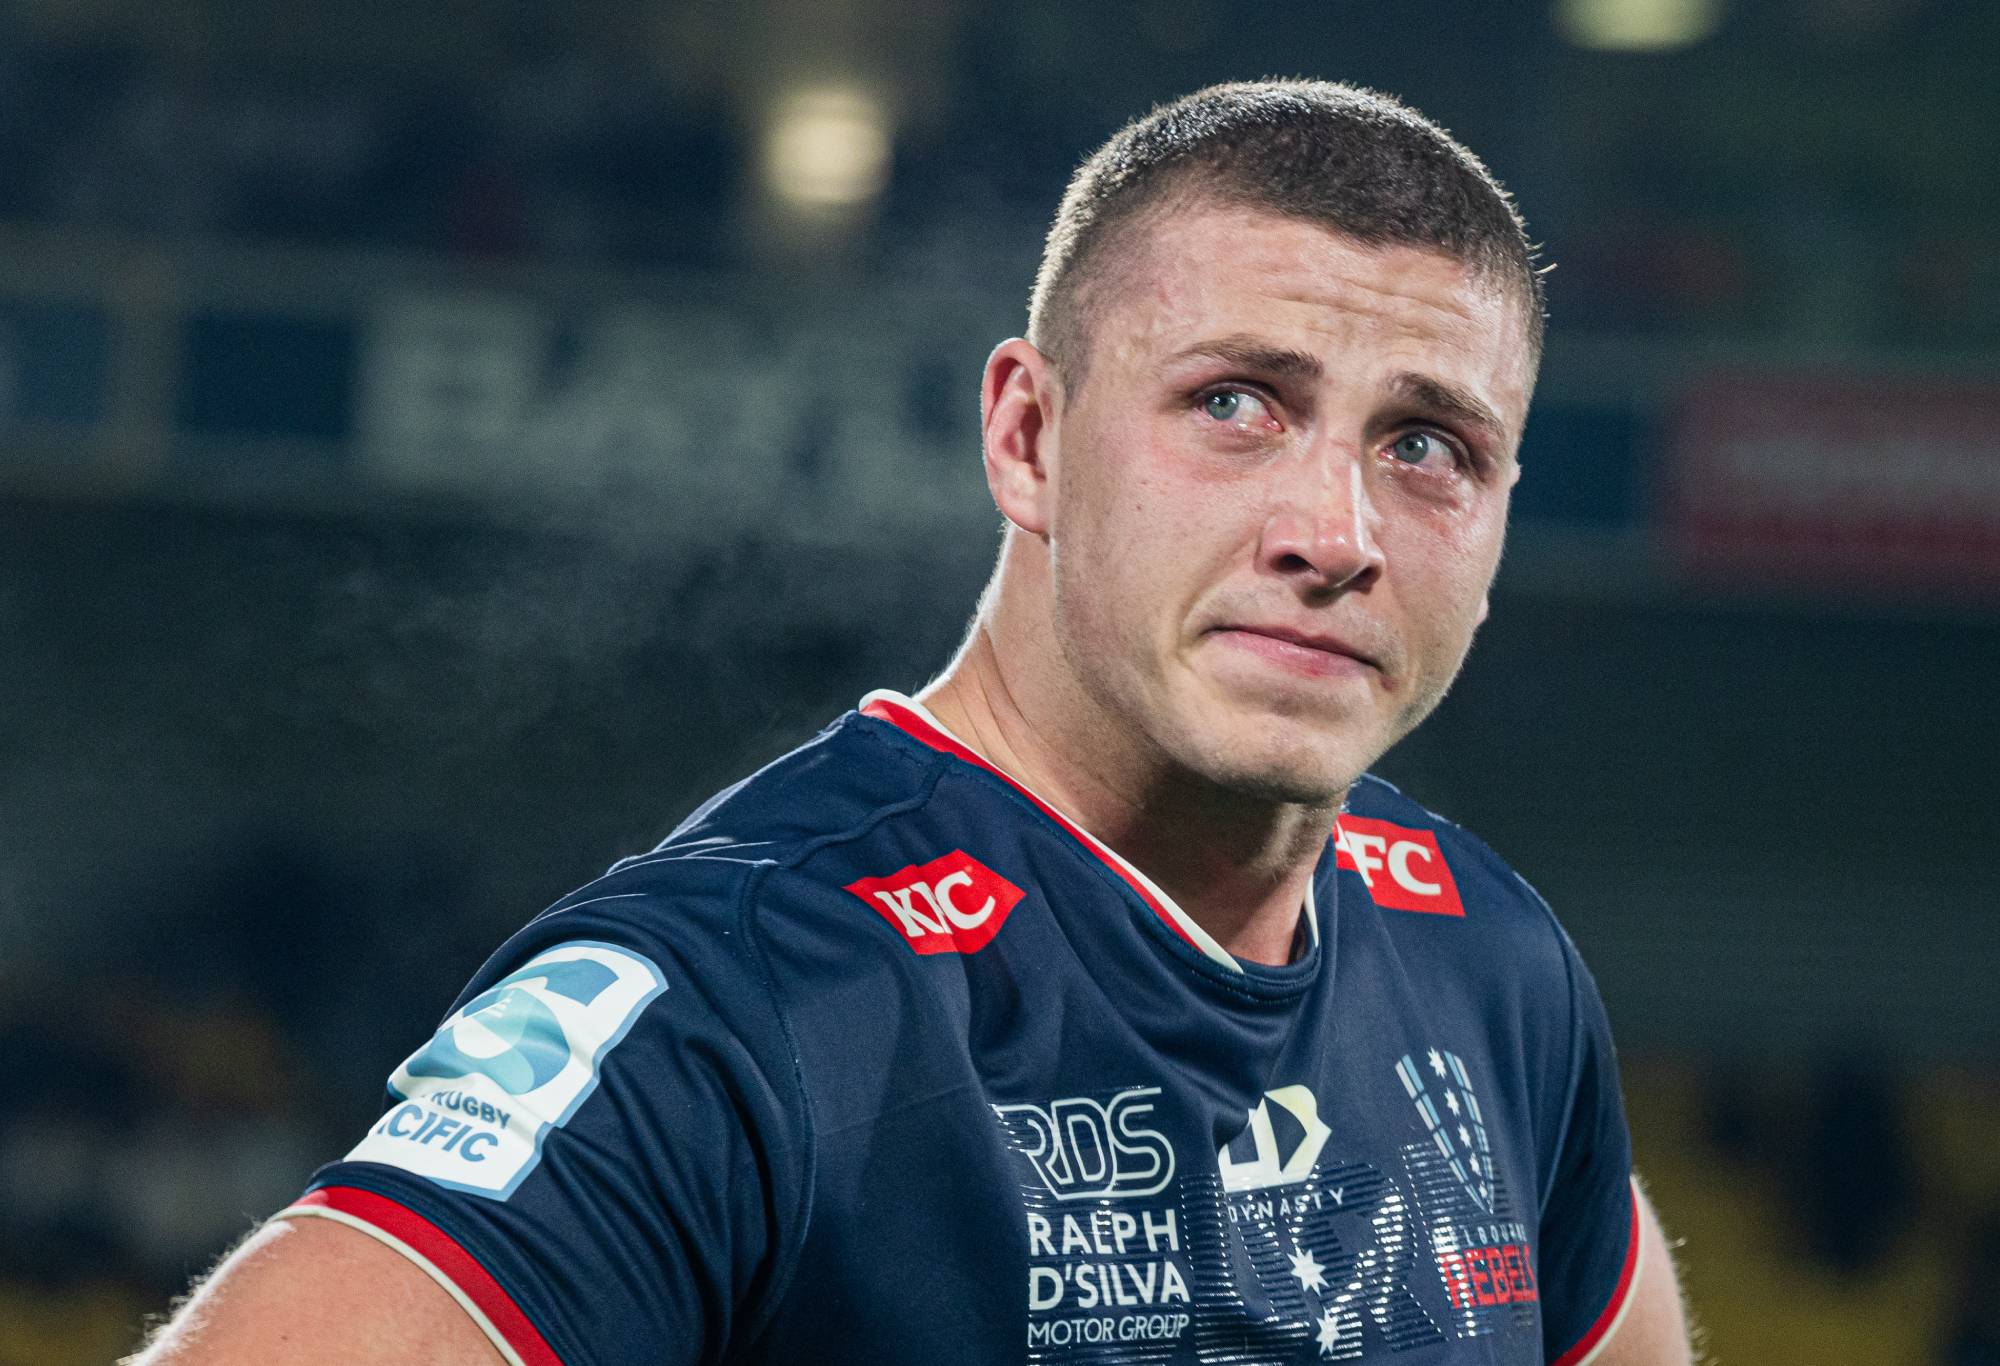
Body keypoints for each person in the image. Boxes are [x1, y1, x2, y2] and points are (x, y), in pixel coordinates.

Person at [136, 80, 1694, 1365]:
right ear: (1028, 436)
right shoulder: (747, 994)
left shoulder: (1493, 962)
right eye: (1237, 402)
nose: (1335, 527)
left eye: (1428, 443)